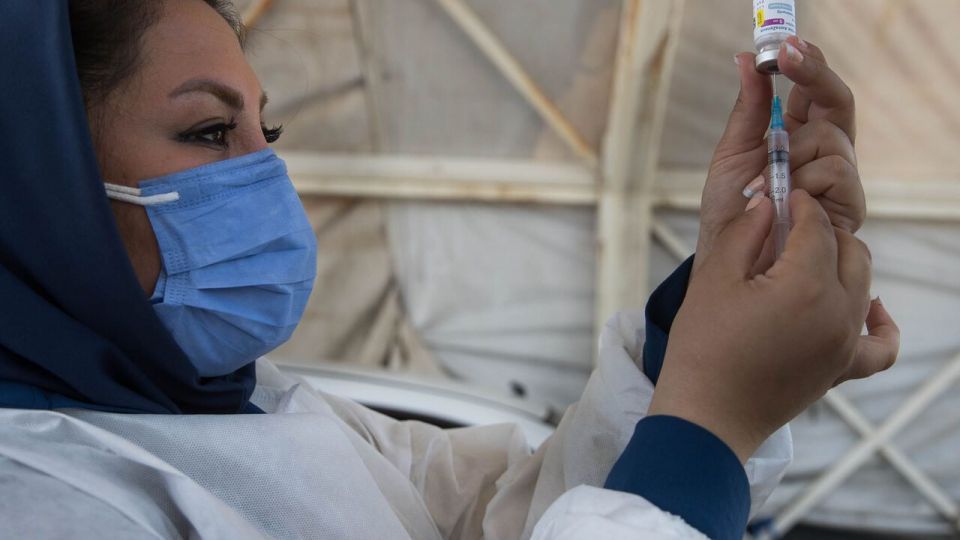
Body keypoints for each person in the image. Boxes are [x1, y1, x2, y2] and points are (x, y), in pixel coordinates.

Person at [0, 1, 899, 539]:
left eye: (263, 132)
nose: (265, 177)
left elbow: (495, 518)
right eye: (207, 132)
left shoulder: (248, 409)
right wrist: (705, 429)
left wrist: (715, 298)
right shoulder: (41, 500)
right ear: (40, 177)